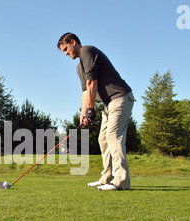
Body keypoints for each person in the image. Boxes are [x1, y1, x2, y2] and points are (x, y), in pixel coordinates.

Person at [57, 33, 135, 191]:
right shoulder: (79, 67)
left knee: (113, 136)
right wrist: (83, 114)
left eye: (66, 48)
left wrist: (91, 109)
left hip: (120, 97)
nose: (65, 53)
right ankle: (107, 177)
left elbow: (93, 82)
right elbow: (85, 91)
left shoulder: (87, 51)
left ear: (73, 42)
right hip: (109, 104)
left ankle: (121, 181)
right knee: (103, 139)